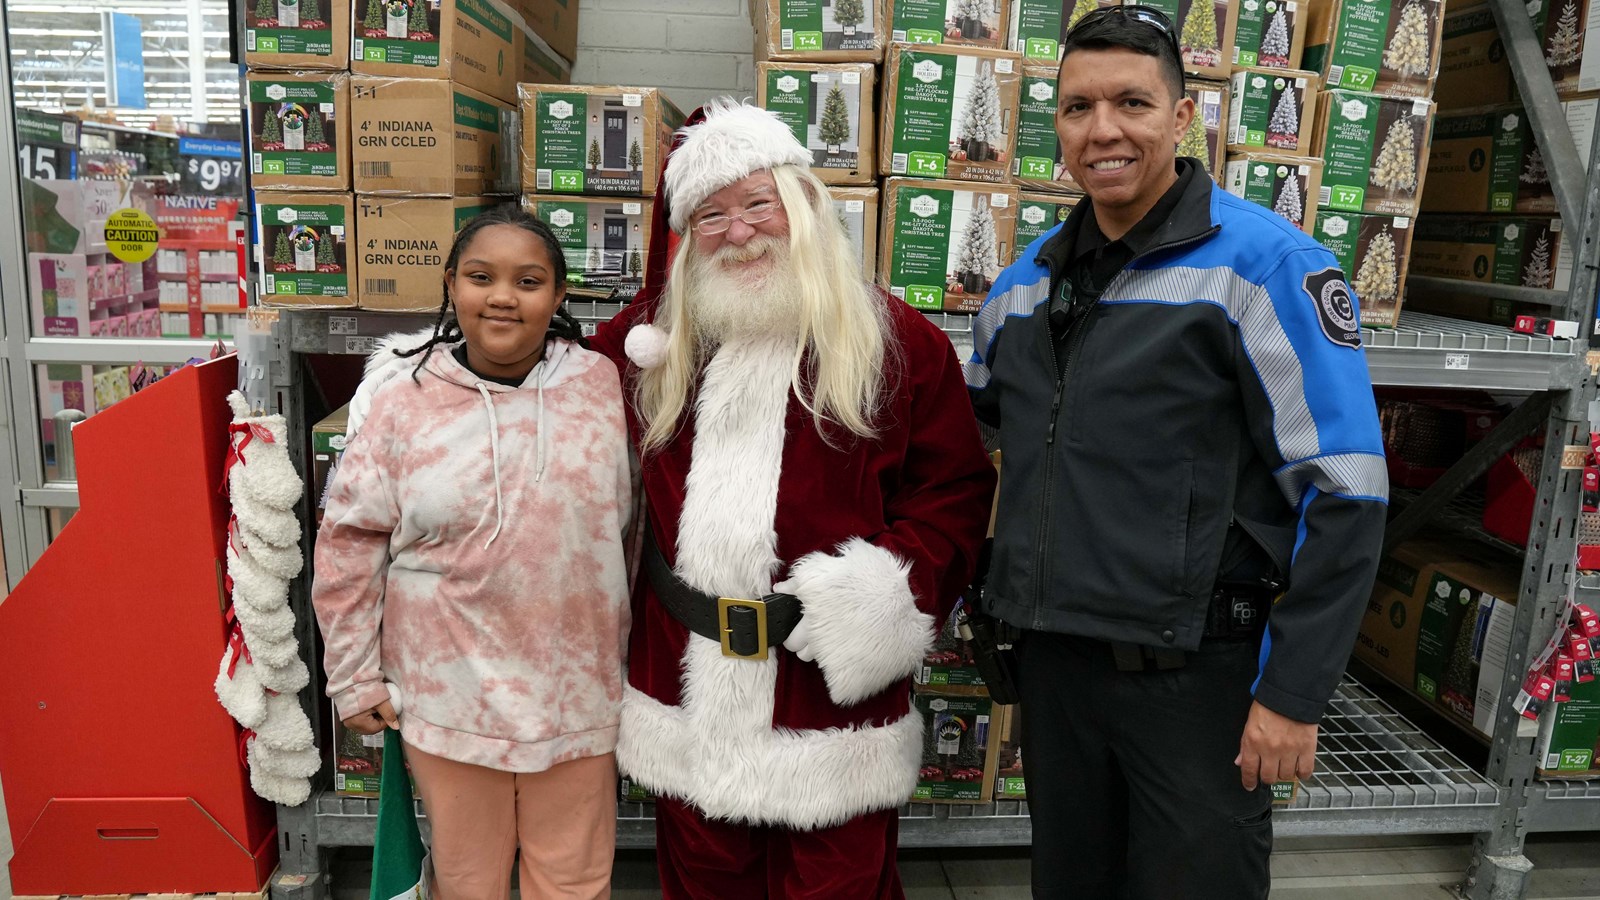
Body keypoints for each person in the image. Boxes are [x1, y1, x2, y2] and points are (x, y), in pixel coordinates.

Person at [350, 99, 996, 899]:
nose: (739, 231)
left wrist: (887, 595)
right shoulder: (647, 343)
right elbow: (522, 371)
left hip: (829, 697)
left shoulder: (898, 342)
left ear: (800, 204)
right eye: (712, 215)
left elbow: (956, 493)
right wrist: (407, 373)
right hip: (685, 698)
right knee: (702, 885)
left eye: (758, 203)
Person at [965, 7, 1387, 898]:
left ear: (1184, 115)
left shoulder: (1266, 268)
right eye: (1078, 107)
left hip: (1198, 685)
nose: (1103, 129)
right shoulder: (1020, 288)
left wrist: (1294, 694)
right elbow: (986, 448)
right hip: (1058, 678)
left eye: (1132, 102)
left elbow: (1346, 491)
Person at [313, 206, 634, 900]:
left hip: (577, 695)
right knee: (467, 883)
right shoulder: (403, 401)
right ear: (451, 284)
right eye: (482, 277)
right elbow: (348, 544)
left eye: (529, 281)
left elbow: (634, 532)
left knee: (575, 883)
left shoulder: (602, 389)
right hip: (448, 697)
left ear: (558, 297)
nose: (503, 296)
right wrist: (354, 678)